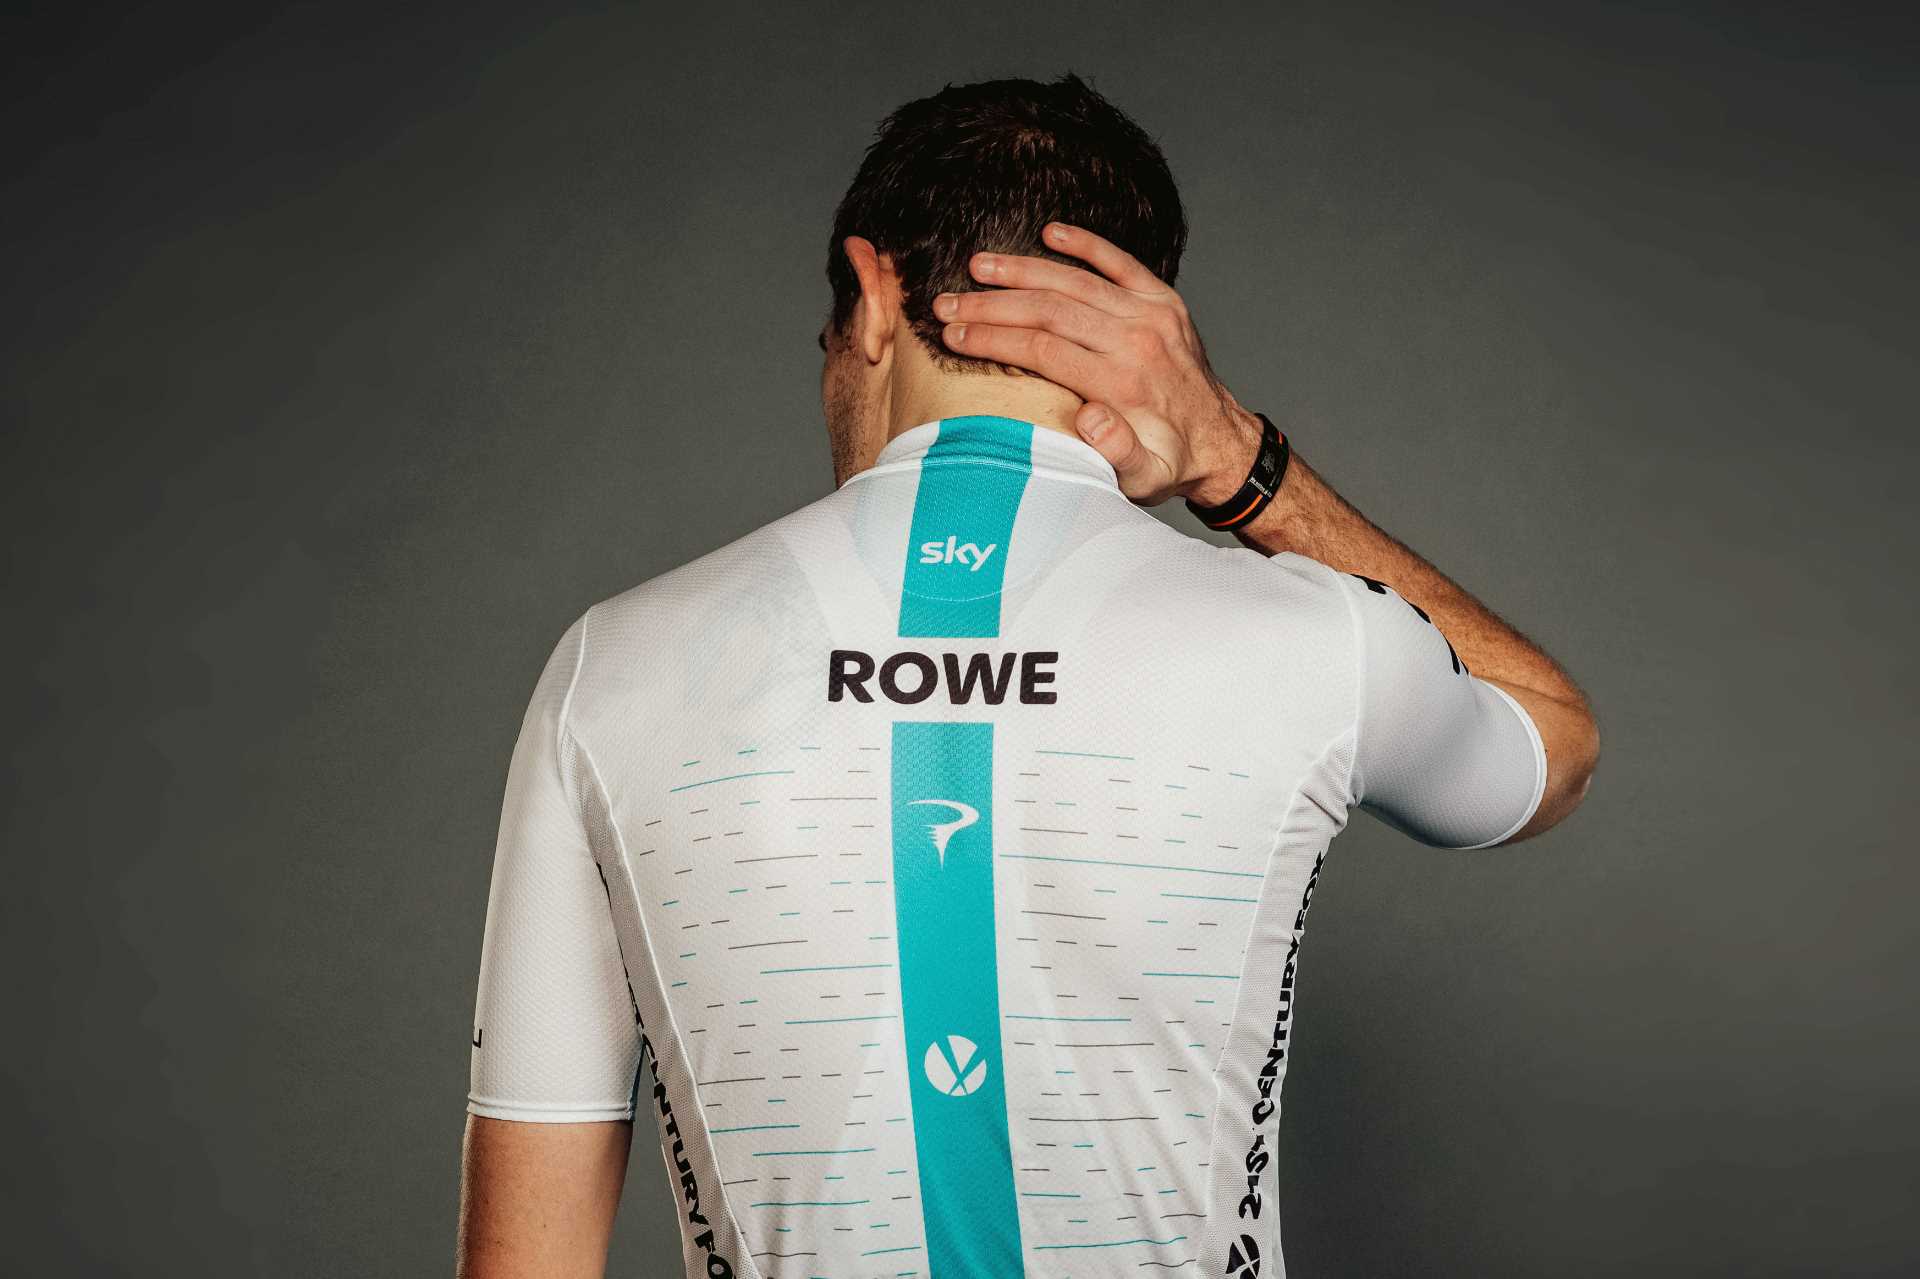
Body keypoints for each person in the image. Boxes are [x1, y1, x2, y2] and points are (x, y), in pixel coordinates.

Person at [454, 72, 1599, 1279]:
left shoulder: (612, 664)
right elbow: (1553, 739)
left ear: (872, 295)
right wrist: (1235, 458)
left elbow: (525, 1263)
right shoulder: (1322, 639)